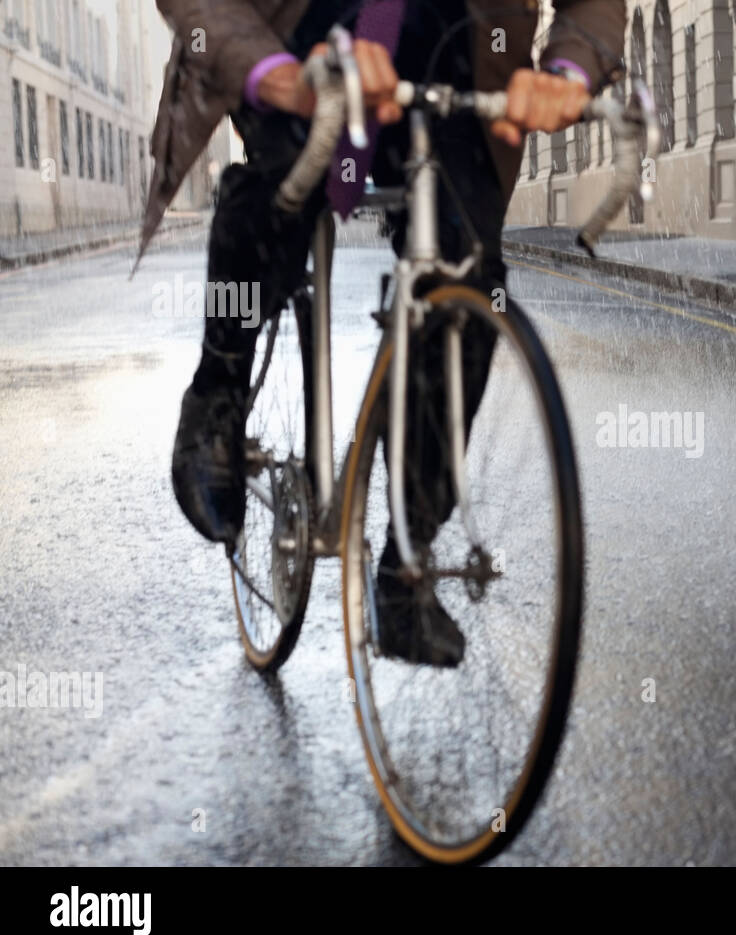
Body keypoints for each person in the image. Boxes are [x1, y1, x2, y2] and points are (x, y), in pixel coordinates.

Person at [138, 0, 625, 665]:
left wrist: (570, 70)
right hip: (303, 32)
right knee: (273, 198)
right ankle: (217, 390)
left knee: (467, 278)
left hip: (455, 38)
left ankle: (406, 563)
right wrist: (276, 75)